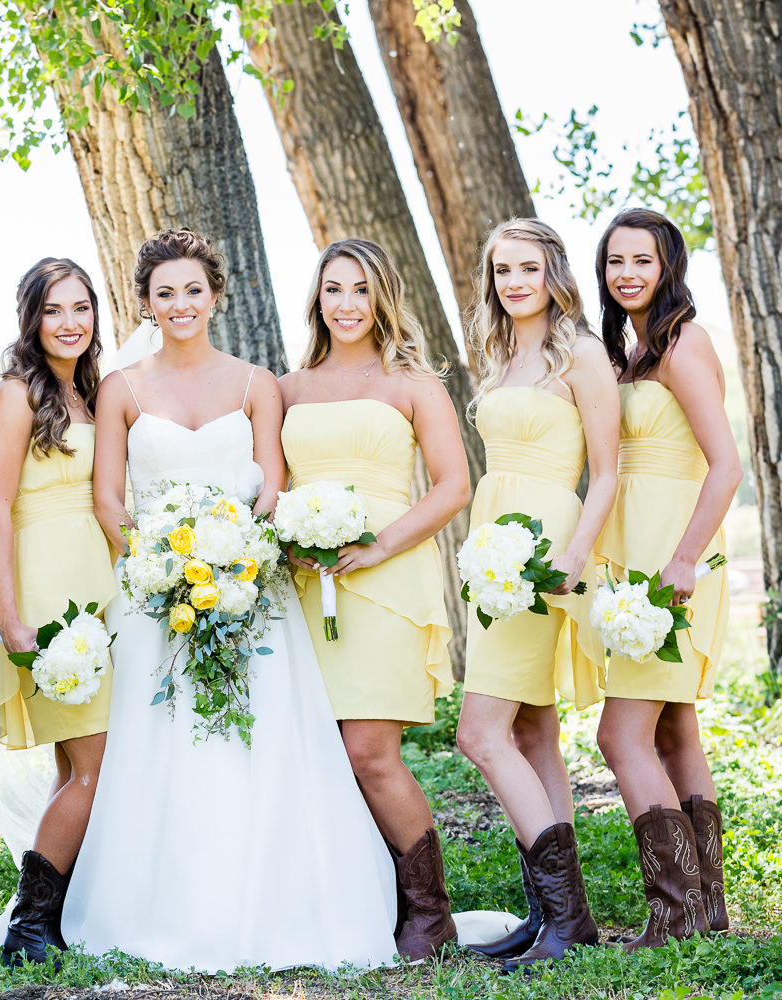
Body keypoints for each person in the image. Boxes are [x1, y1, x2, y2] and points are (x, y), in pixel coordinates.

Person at [61, 228, 397, 972]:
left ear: (215, 294)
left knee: (261, 744)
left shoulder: (256, 385)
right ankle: (162, 907)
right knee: (162, 744)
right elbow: (109, 500)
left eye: (192, 290)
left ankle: (278, 904)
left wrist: (237, 559)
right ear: (144, 303)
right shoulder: (121, 387)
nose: (180, 304)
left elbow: (272, 485)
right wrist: (161, 566)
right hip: (155, 598)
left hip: (251, 591)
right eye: (164, 293)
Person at [278, 238, 469, 959]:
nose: (347, 304)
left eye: (360, 290)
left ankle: (430, 910)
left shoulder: (413, 383)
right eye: (334, 289)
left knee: (370, 752)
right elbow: (273, 486)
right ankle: (366, 899)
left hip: (386, 577)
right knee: (321, 752)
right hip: (306, 584)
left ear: (382, 297)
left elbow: (453, 486)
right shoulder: (289, 387)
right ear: (317, 299)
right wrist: (288, 540)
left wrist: (379, 546)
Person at [456, 218, 617, 972]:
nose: (513, 282)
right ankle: (552, 915)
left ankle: (568, 915)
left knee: (479, 732)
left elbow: (607, 472)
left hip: (544, 545)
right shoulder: (500, 353)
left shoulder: (582, 352)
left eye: (527, 267)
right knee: (530, 732)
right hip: (496, 538)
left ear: (553, 271)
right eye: (501, 271)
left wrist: (574, 555)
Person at [593, 207, 740, 949]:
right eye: (615, 261)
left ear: (668, 266)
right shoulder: (633, 346)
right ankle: (707, 908)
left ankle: (676, 910)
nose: (627, 274)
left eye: (641, 261)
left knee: (621, 735)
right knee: (674, 727)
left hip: (669, 557)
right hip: (637, 551)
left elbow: (727, 464)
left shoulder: (681, 342)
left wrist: (683, 557)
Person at [0, 258, 117, 964]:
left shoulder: (89, 394)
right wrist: (10, 614)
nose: (71, 323)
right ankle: (29, 926)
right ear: (32, 319)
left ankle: (54, 917)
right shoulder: (15, 396)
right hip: (48, 594)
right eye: (55, 310)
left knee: (81, 764)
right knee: (91, 765)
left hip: (101, 586)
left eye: (82, 308)